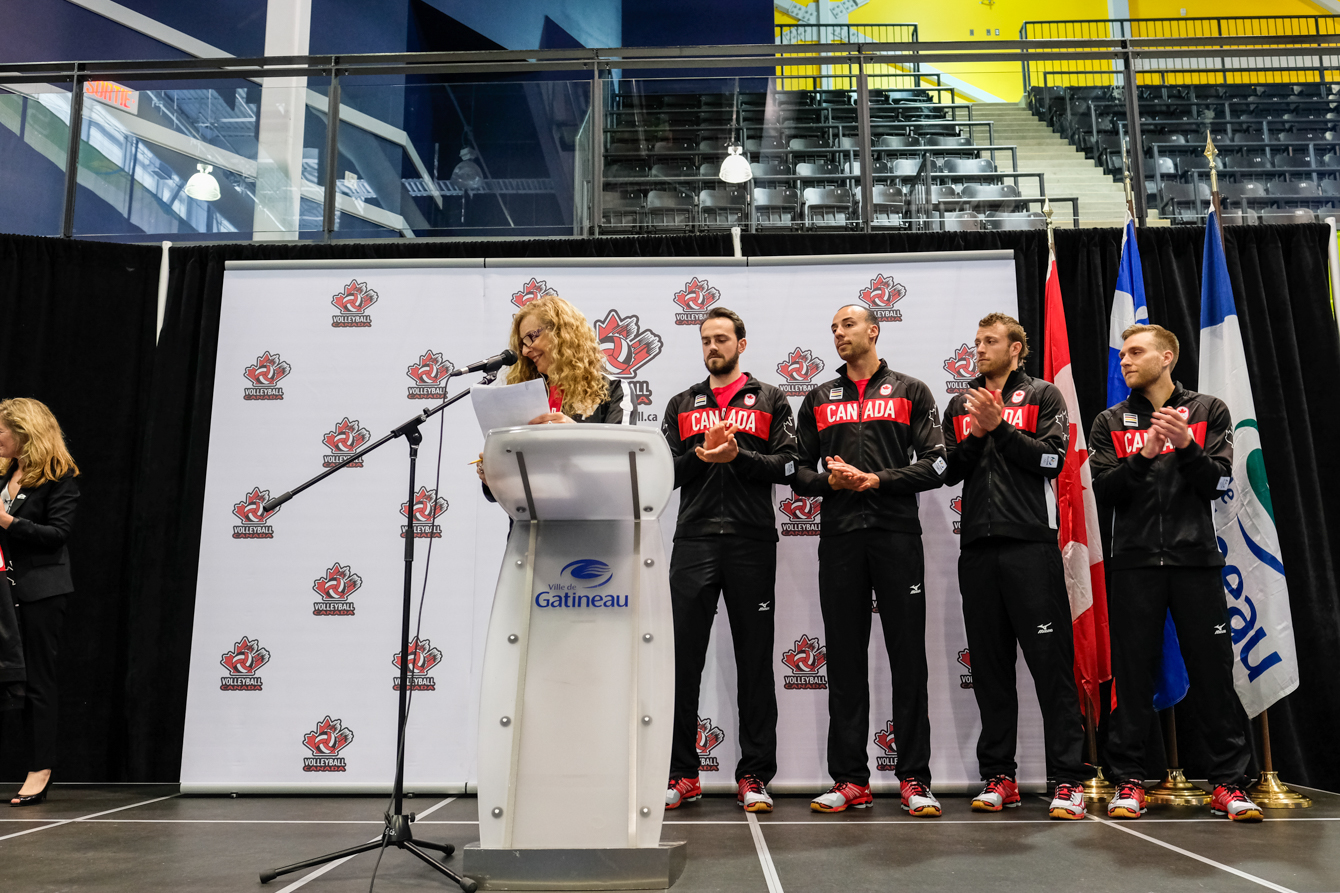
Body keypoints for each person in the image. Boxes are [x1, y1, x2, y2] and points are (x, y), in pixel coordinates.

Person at [1089, 324, 1263, 822]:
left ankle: (1229, 785)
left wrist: (1186, 444)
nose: (1125, 360)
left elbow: (1215, 483)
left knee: (1213, 676)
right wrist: (1144, 453)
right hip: (1135, 565)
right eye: (1123, 353)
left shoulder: (1209, 410)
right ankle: (1127, 782)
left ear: (1167, 357)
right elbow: (1107, 491)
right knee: (1133, 676)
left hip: (1195, 564)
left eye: (1136, 352)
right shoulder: (1110, 421)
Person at [791, 304, 947, 816]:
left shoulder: (912, 391)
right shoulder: (817, 397)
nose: (838, 332)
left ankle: (915, 779)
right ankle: (850, 780)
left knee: (907, 659)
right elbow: (797, 470)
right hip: (839, 539)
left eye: (848, 324)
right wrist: (827, 483)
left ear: (874, 331)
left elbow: (938, 464)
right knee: (845, 659)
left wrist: (880, 479)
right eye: (833, 327)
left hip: (896, 536)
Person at [941, 313, 1088, 820]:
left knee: (1051, 669)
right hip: (977, 550)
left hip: (1031, 547)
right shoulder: (961, 403)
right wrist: (978, 433)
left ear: (1017, 348)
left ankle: (1068, 779)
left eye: (990, 341)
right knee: (990, 671)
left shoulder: (1045, 396)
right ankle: (999, 777)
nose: (979, 349)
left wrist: (999, 427)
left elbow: (1052, 460)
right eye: (976, 340)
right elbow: (949, 472)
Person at [658, 307, 797, 814]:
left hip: (750, 541)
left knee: (755, 661)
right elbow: (663, 475)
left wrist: (737, 456)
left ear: (742, 343)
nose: (712, 346)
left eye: (721, 338)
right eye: (706, 340)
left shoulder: (771, 398)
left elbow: (788, 464)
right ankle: (682, 773)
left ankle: (755, 774)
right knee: (681, 663)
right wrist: (701, 457)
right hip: (693, 541)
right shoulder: (681, 403)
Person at [0, 398, 80, 807]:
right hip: (3, 592)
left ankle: (40, 769)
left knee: (37, 682)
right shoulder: (3, 476)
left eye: (2, 430)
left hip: (40, 593)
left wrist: (9, 521)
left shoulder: (58, 478)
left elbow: (57, 534)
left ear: (25, 432)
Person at [477, 294, 628, 492]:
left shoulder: (613, 389)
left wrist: (577, 435)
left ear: (561, 333)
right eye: (521, 344)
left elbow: (622, 464)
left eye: (531, 337)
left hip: (591, 517)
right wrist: (494, 477)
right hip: (530, 518)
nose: (524, 352)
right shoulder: (523, 393)